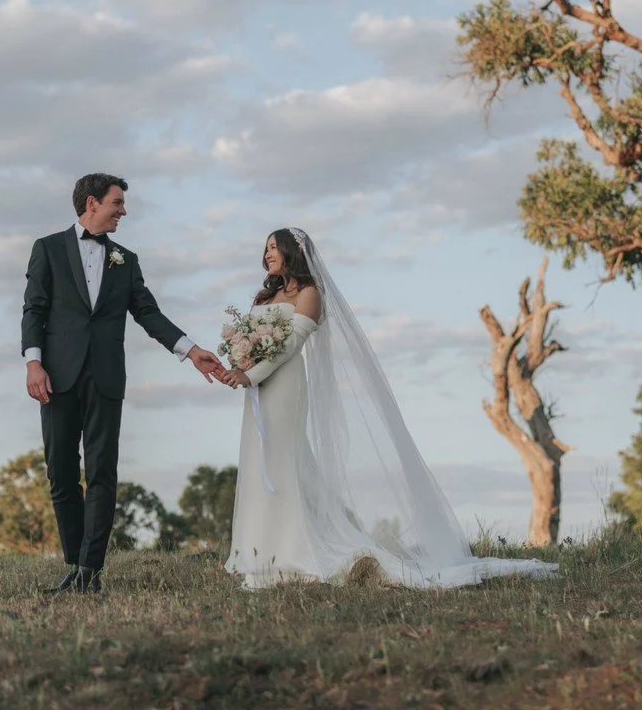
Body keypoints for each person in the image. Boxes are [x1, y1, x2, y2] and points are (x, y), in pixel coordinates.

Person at [219, 228, 559, 589]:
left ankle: (290, 550)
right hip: (257, 390)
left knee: (284, 462)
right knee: (258, 459)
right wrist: (239, 365)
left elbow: (289, 346)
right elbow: (253, 343)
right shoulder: (264, 297)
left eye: (275, 247)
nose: (268, 253)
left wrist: (248, 374)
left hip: (283, 386)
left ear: (292, 252)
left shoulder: (309, 294)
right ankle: (255, 548)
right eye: (266, 248)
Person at [21, 173, 224, 595]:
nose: (123, 211)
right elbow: (33, 310)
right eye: (117, 203)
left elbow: (147, 313)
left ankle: (90, 573)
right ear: (92, 203)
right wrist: (33, 363)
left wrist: (189, 350)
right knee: (60, 473)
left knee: (102, 474)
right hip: (56, 378)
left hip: (106, 377)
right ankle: (76, 563)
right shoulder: (48, 249)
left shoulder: (125, 260)